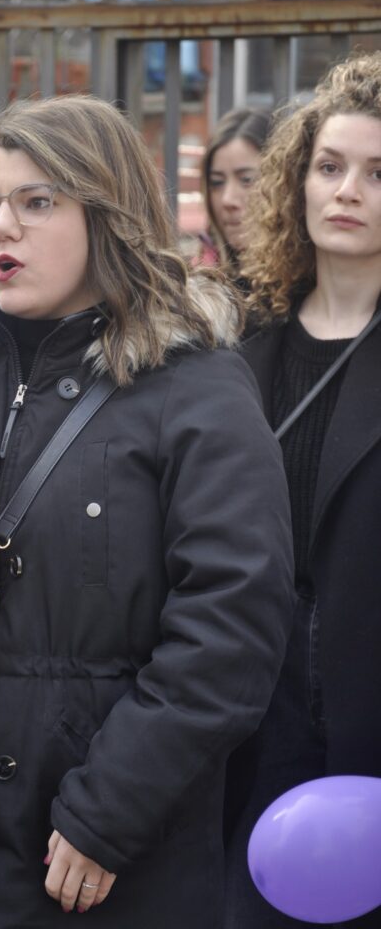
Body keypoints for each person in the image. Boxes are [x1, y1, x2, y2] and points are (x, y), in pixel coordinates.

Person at [0, 94, 295, 928]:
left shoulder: (196, 387)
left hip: (86, 861)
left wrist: (110, 813)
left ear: (108, 217)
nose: (3, 226)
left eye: (39, 202)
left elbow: (232, 627)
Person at [224, 51, 381, 929]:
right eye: (329, 167)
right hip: (253, 724)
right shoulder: (240, 348)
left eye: (376, 173)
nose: (347, 190)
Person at [192, 106, 271, 282]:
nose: (228, 199)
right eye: (216, 183)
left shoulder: (315, 287)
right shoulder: (194, 285)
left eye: (247, 180)